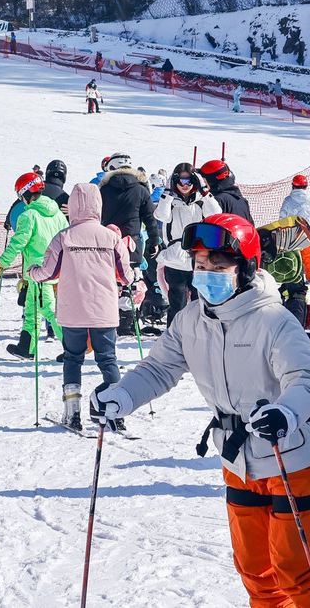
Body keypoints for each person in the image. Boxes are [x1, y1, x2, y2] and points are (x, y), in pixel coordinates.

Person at [92, 215, 310, 608]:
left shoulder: (274, 320)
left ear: (244, 269)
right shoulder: (190, 321)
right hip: (238, 458)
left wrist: (285, 412)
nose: (207, 274)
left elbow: (305, 379)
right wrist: (121, 397)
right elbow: (159, 368)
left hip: (290, 456)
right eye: (200, 266)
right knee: (256, 570)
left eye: (219, 266)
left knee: (298, 568)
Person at [30, 180, 133, 431]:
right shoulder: (111, 238)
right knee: (108, 359)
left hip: (73, 310)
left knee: (73, 358)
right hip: (104, 311)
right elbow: (127, 276)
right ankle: (115, 412)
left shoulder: (63, 237)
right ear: (98, 205)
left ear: (73, 207)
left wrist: (33, 273)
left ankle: (72, 412)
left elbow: (49, 272)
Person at [0, 173, 68, 359]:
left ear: (25, 193)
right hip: (54, 268)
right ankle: (26, 347)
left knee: (48, 308)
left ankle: (73, 348)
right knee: (31, 308)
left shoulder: (29, 215)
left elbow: (18, 243)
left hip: (39, 270)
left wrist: (1, 264)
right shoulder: (57, 213)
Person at [98, 153, 159, 334]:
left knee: (109, 280)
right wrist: (154, 240)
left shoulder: (103, 190)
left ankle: (109, 317)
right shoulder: (140, 189)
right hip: (132, 243)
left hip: (107, 241)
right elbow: (150, 217)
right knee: (132, 279)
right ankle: (128, 320)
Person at [155, 163, 221, 321]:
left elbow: (216, 213)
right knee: (177, 305)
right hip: (175, 260)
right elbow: (160, 215)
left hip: (198, 259)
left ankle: (199, 337)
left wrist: (205, 192)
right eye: (181, 182)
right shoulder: (171, 202)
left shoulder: (200, 201)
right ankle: (174, 338)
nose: (185, 186)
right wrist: (167, 194)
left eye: (189, 181)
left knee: (200, 303)